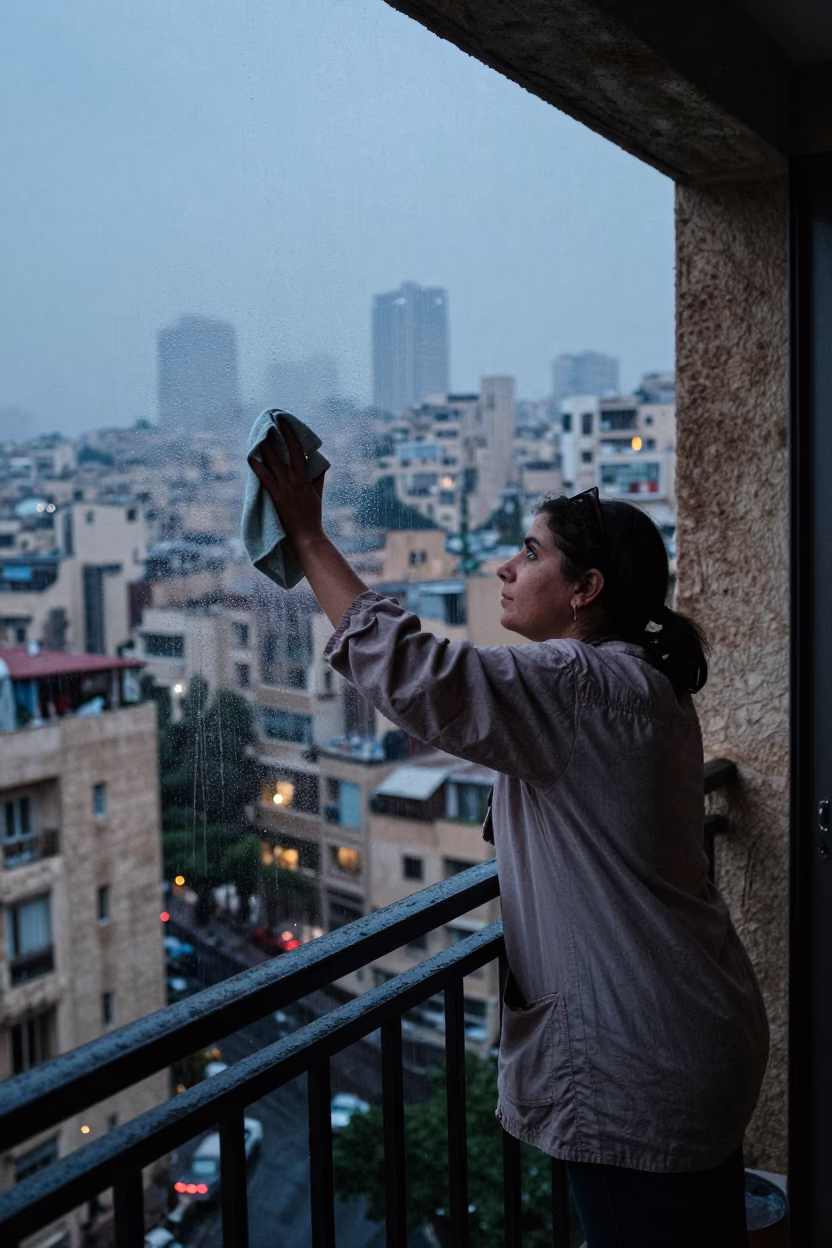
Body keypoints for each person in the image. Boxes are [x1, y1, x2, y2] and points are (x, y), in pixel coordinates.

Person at [250, 420, 769, 1248]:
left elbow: (421, 676)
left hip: (637, 1062)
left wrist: (309, 537)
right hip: (695, 1031)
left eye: (530, 553)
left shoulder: (579, 683)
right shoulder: (644, 684)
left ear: (585, 588)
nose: (505, 567)